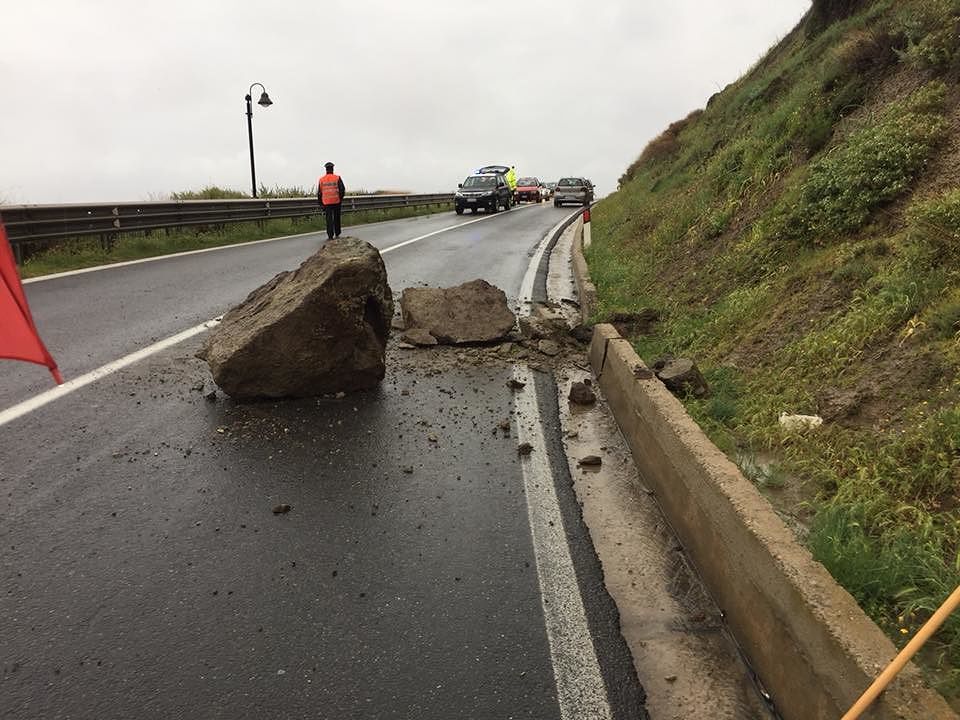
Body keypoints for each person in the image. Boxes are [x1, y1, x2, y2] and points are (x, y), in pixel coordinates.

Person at [317, 161, 346, 239]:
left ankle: (330, 235)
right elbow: (342, 189)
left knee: (328, 219)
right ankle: (337, 233)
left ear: (326, 170)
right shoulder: (337, 178)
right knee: (337, 217)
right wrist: (340, 198)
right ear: (332, 169)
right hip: (336, 201)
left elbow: (319, 192)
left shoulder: (321, 180)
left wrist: (320, 203)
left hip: (326, 202)